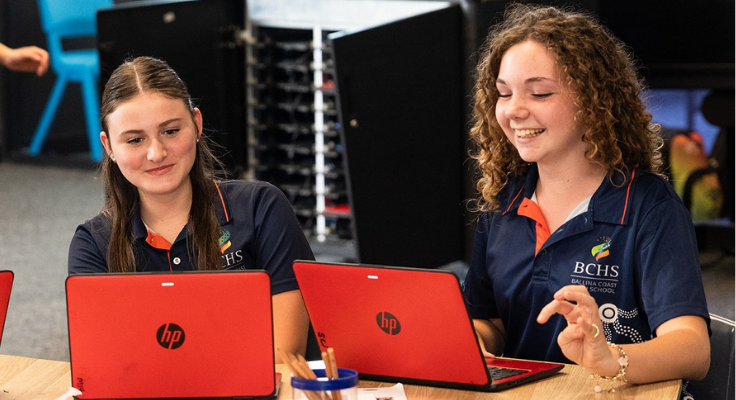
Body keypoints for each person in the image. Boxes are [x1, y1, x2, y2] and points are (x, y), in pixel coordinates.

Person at [463, 3, 710, 395]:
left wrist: (613, 359)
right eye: (504, 93)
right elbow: (490, 322)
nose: (513, 110)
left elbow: (693, 349)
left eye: (540, 92)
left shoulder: (649, 205)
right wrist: (473, 344)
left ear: (596, 101)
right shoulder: (503, 202)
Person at [68, 56, 312, 362]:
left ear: (196, 124)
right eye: (134, 139)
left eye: (170, 131)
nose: (156, 153)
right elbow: (103, 365)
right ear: (109, 147)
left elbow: (284, 357)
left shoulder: (262, 207)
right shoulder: (92, 243)